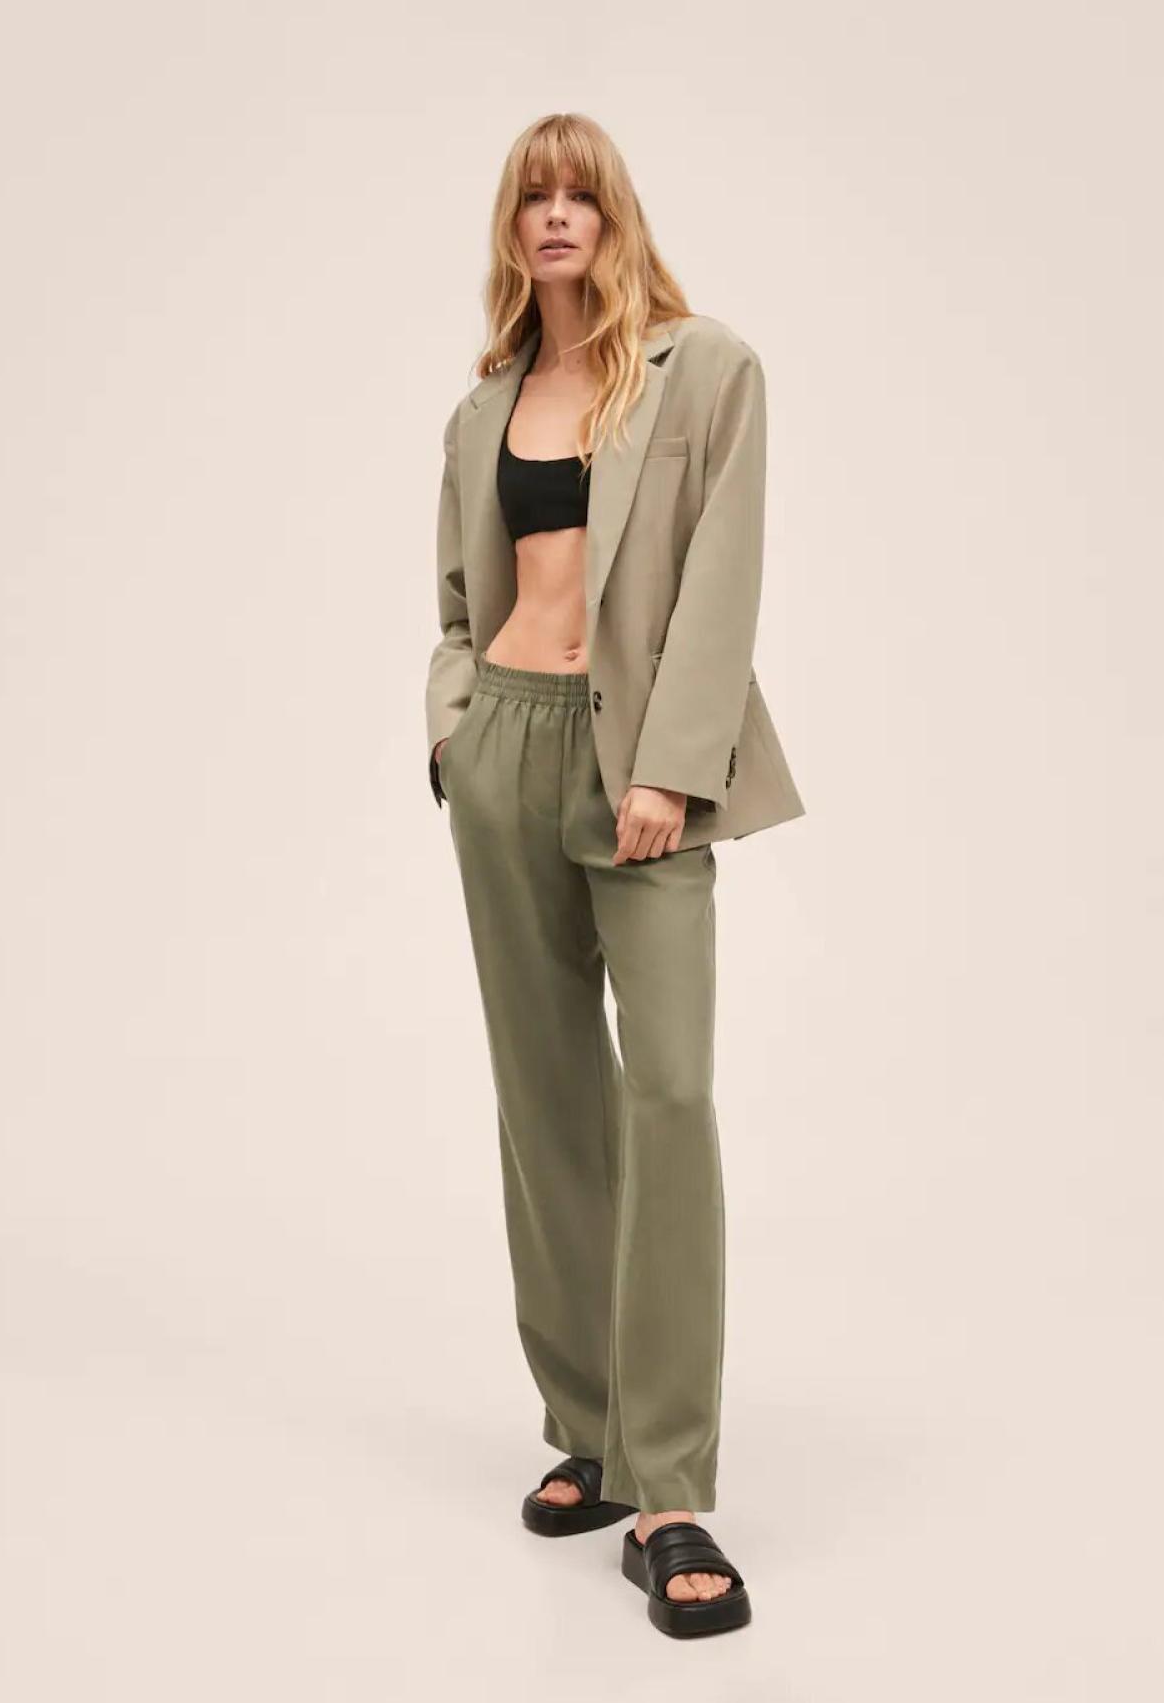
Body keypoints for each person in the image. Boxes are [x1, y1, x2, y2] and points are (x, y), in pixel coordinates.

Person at [423, 111, 805, 1640]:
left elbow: (723, 573)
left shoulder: (705, 372)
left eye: (581, 191)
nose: (558, 213)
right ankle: (587, 1422)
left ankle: (672, 1486)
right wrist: (454, 735)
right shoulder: (482, 410)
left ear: (617, 213)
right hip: (505, 755)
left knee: (669, 1097)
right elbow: (461, 605)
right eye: (535, 194)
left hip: (644, 768)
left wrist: (671, 765)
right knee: (546, 1101)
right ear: (512, 227)